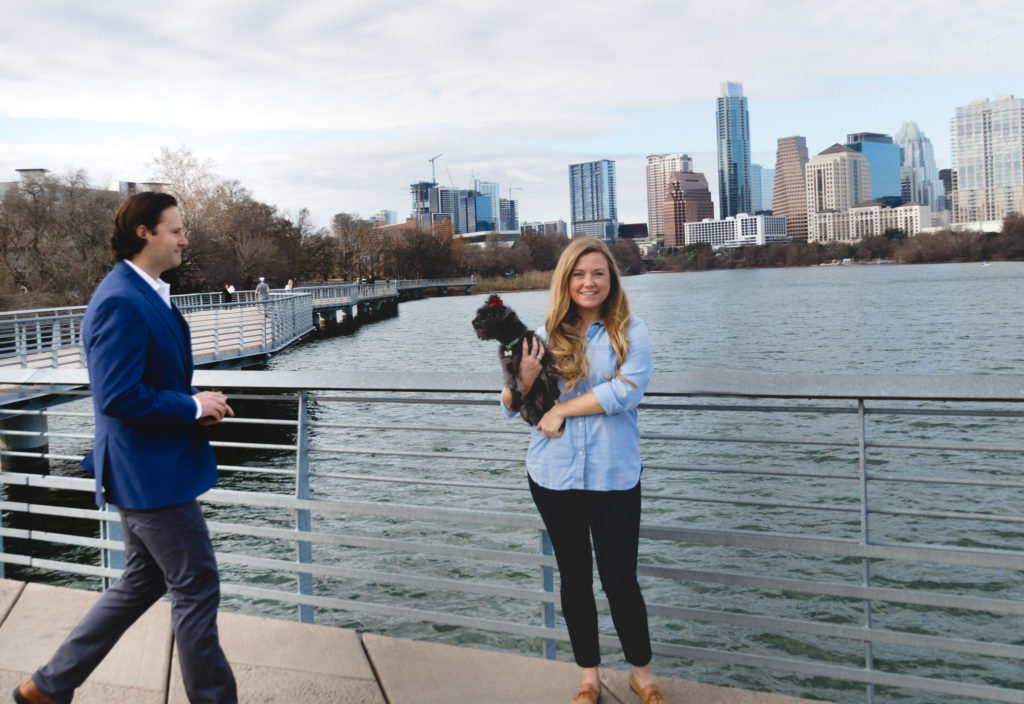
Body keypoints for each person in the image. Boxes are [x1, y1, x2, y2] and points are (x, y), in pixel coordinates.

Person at [14, 192, 238, 704]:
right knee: (196, 585)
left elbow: (143, 379)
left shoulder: (148, 291)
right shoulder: (120, 298)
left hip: (146, 467)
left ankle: (46, 688)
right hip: (148, 472)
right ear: (145, 233)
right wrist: (191, 407)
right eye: (176, 230)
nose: (185, 239)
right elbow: (116, 395)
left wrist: (193, 400)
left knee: (142, 582)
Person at [501, 237, 663, 704]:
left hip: (614, 476)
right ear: (566, 281)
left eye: (597, 274)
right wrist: (524, 381)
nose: (588, 282)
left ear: (611, 281)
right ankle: (589, 678)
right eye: (578, 274)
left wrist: (565, 410)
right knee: (574, 578)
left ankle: (642, 673)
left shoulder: (632, 330)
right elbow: (508, 405)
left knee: (619, 579)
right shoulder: (542, 335)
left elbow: (626, 392)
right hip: (554, 476)